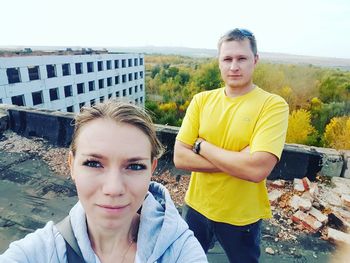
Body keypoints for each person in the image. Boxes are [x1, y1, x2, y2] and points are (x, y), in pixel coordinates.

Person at [0, 100, 207, 263]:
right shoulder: (39, 252)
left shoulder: (180, 249)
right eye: (93, 163)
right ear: (71, 165)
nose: (113, 188)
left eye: (134, 166)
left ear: (151, 170)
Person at [174, 28, 289, 263]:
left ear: (255, 60)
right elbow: (180, 158)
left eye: (242, 58)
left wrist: (201, 146)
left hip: (241, 216)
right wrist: (239, 159)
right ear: (219, 62)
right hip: (196, 207)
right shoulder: (202, 100)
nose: (233, 66)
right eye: (227, 59)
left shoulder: (272, 105)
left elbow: (256, 170)